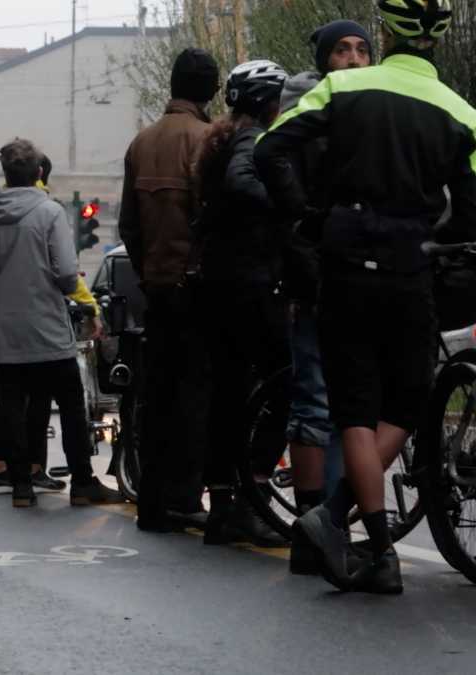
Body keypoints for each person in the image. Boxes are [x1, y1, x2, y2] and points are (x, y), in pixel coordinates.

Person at [256, 0, 476, 594]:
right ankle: (335, 519)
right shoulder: (461, 111)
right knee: (405, 404)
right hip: (411, 264)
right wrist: (442, 239)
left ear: (384, 34)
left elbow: (268, 149)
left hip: (345, 257)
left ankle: (375, 546)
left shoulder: (344, 87)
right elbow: (472, 208)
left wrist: (304, 217)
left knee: (351, 403)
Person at [277, 19, 373, 575]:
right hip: (317, 278)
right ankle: (310, 530)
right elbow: (291, 205)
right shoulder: (309, 119)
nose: (354, 58)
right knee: (315, 403)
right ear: (323, 57)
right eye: (342, 49)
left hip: (359, 275)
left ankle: (331, 527)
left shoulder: (368, 116)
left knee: (348, 407)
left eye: (363, 49)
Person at [0, 138, 110, 508]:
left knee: (11, 405)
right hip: (48, 326)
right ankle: (82, 482)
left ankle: (20, 486)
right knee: (70, 404)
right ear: (37, 174)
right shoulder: (49, 213)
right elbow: (67, 273)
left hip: (7, 330)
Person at [118, 48, 220, 531]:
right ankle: (185, 496)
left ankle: (152, 501)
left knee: (155, 397)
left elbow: (128, 225)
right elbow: (214, 220)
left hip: (156, 289)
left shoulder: (142, 142)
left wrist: (148, 271)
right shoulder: (210, 139)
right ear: (212, 91)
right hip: (199, 290)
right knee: (196, 396)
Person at [191, 60, 290, 547]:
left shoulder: (223, 140)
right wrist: (291, 204)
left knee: (227, 396)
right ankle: (256, 489)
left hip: (218, 285)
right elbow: (243, 183)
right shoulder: (254, 143)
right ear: (266, 101)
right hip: (252, 285)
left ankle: (223, 506)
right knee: (284, 386)